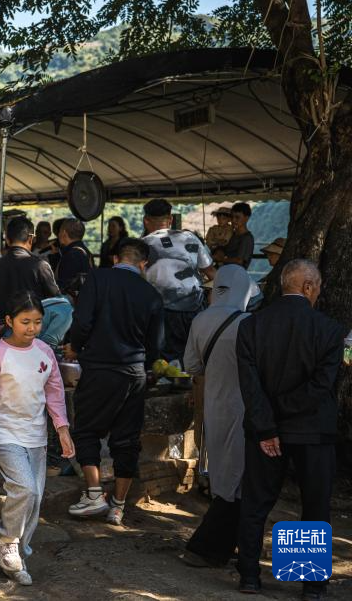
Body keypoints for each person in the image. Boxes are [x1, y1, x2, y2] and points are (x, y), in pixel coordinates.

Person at [235, 260, 344, 598]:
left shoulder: (251, 325)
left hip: (263, 431)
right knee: (314, 506)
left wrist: (268, 423)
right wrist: (282, 412)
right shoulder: (329, 329)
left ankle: (249, 576)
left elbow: (249, 386)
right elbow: (322, 386)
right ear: (309, 287)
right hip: (313, 431)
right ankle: (310, 584)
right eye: (318, 287)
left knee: (256, 502)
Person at [0, 291, 74, 585]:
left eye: (37, 322)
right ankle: (7, 541)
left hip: (36, 435)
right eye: (25, 321)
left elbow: (54, 392)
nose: (31, 328)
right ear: (9, 321)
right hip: (4, 432)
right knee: (25, 488)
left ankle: (17, 551)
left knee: (36, 497)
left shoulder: (45, 352)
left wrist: (62, 429)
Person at [65, 238, 164, 526]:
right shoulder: (152, 294)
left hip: (99, 368)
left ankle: (94, 494)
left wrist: (75, 347)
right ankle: (118, 507)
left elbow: (82, 322)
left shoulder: (98, 279)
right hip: (135, 373)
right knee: (127, 439)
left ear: (115, 258)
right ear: (143, 264)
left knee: (86, 430)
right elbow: (156, 346)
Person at [180, 266, 260, 569]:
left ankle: (228, 543)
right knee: (239, 477)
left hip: (213, 406)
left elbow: (191, 365)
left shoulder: (200, 319)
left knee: (223, 474)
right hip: (245, 408)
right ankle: (212, 546)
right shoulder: (250, 323)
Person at [140, 198, 215, 365]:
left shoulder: (142, 246)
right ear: (170, 219)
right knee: (193, 358)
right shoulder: (190, 238)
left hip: (164, 313)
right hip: (195, 308)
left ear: (146, 221)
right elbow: (212, 274)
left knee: (165, 363)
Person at [0, 216, 60, 326]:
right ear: (31, 239)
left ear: (7, 240)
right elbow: (57, 301)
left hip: (2, 329)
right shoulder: (40, 266)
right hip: (32, 329)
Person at [54, 218, 93, 291]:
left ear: (64, 232)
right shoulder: (86, 252)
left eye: (59, 231)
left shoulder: (72, 255)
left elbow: (63, 286)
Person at [216, 202, 254, 268]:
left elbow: (240, 261)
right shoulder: (231, 234)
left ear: (246, 218)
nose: (233, 220)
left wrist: (221, 259)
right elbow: (223, 248)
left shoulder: (247, 238)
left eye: (237, 217)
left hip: (237, 272)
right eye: (232, 217)